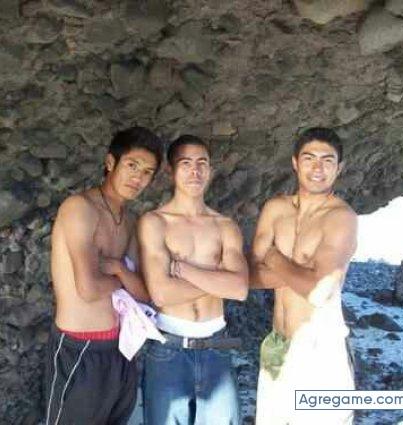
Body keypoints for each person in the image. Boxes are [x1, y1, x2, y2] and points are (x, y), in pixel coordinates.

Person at [45, 126, 163, 425]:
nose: (138, 177)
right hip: (79, 348)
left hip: (120, 348)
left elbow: (145, 293)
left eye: (147, 172)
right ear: (111, 162)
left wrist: (119, 268)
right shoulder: (80, 208)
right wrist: (123, 279)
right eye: (132, 165)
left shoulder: (131, 221)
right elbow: (88, 289)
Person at [138, 134, 249, 425]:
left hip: (216, 346)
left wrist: (185, 270)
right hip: (168, 348)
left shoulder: (225, 226)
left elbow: (239, 289)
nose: (195, 171)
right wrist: (218, 278)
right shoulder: (155, 222)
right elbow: (162, 294)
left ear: (211, 169)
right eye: (185, 163)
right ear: (171, 171)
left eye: (202, 163)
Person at [251, 127, 357, 425]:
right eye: (309, 158)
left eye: (327, 160)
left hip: (319, 349)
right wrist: (302, 274)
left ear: (339, 168)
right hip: (277, 343)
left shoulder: (342, 218)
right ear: (295, 163)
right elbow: (247, 277)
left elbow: (320, 292)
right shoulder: (275, 209)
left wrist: (273, 257)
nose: (318, 168)